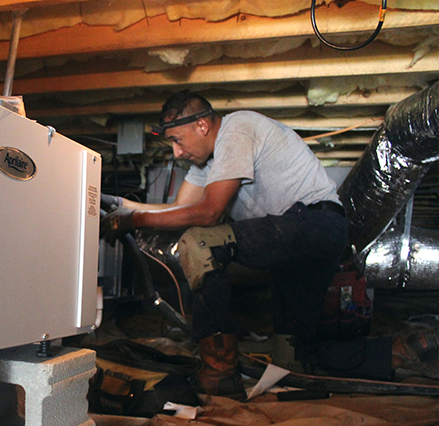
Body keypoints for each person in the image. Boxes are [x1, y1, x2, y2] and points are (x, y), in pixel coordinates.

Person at [100, 90, 438, 399]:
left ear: (201, 125)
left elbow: (207, 213)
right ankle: (405, 349)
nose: (177, 151)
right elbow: (178, 210)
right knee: (293, 357)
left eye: (177, 140)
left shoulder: (237, 128)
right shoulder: (206, 164)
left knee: (199, 244)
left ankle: (220, 374)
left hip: (312, 226)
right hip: (299, 245)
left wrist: (134, 222)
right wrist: (118, 208)